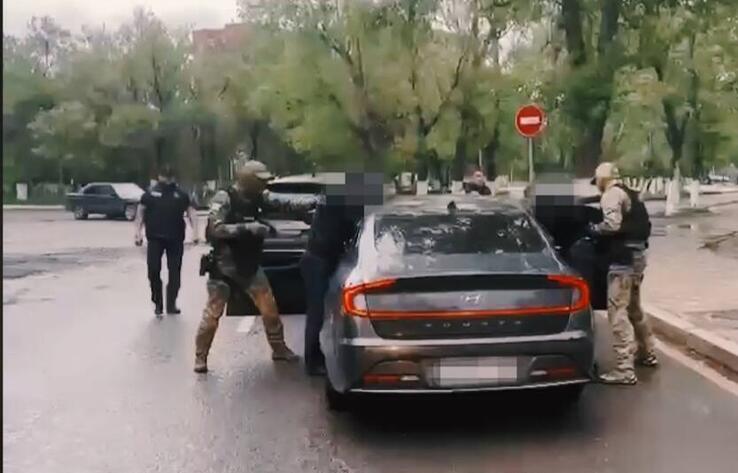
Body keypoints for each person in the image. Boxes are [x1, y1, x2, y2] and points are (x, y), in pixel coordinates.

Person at [194, 159, 315, 373]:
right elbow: (214, 229)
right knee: (212, 316)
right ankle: (200, 357)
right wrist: (248, 228)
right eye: (259, 181)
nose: (263, 185)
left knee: (270, 311)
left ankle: (279, 348)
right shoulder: (225, 198)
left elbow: (283, 203)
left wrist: (311, 202)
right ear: (248, 179)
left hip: (249, 265)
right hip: (224, 267)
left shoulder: (259, 197)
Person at [300, 172, 381, 376]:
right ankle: (312, 361)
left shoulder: (334, 198)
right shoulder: (342, 203)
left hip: (320, 259)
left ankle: (319, 356)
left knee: (323, 310)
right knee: (317, 312)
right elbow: (356, 225)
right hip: (319, 261)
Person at [588, 162, 658, 385]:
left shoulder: (611, 195)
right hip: (638, 258)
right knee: (634, 308)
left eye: (597, 181)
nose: (597, 186)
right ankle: (647, 353)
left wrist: (593, 229)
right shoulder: (632, 194)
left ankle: (624, 369)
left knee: (617, 312)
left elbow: (612, 225)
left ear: (602, 179)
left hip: (622, 260)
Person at [135, 165, 199, 317]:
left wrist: (195, 232)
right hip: (155, 238)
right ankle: (158, 302)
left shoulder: (181, 195)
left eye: (169, 177)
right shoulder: (150, 194)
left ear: (173, 178)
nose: (166, 179)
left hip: (175, 238)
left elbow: (191, 213)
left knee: (174, 272)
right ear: (159, 177)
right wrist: (138, 233)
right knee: (153, 270)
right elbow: (140, 213)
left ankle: (171, 303)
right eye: (164, 176)